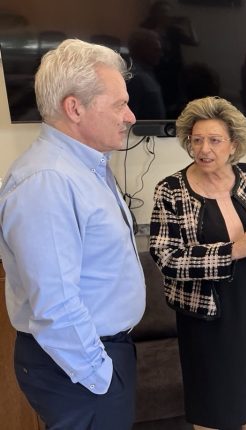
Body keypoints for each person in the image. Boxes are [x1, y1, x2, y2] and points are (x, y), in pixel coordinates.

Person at [0, 39, 145, 429]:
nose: (130, 116)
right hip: (79, 367)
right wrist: (99, 375)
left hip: (96, 357)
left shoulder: (86, 167)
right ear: (74, 108)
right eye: (119, 104)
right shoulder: (47, 181)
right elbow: (55, 305)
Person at [149, 96, 246, 430]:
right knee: (212, 402)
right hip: (205, 315)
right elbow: (166, 258)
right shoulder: (170, 190)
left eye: (214, 140)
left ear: (233, 145)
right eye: (196, 140)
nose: (203, 149)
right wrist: (232, 251)